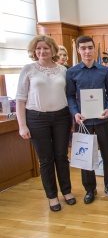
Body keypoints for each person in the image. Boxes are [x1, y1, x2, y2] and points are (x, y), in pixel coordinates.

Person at [16, 35, 75, 212]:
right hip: (36, 119)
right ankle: (52, 196)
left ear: (53, 50)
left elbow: (69, 96)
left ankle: (67, 191)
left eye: (46, 48)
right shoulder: (28, 69)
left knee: (62, 157)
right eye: (38, 48)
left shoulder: (63, 70)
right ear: (34, 51)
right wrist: (22, 125)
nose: (42, 51)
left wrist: (72, 119)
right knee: (46, 160)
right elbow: (20, 99)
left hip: (62, 118)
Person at [66, 35, 108, 204]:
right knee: (85, 155)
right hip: (83, 121)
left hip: (102, 120)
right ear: (79, 50)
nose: (87, 51)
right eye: (83, 48)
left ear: (94, 48)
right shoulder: (71, 72)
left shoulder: (105, 71)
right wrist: (75, 112)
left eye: (90, 47)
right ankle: (90, 189)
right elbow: (70, 97)